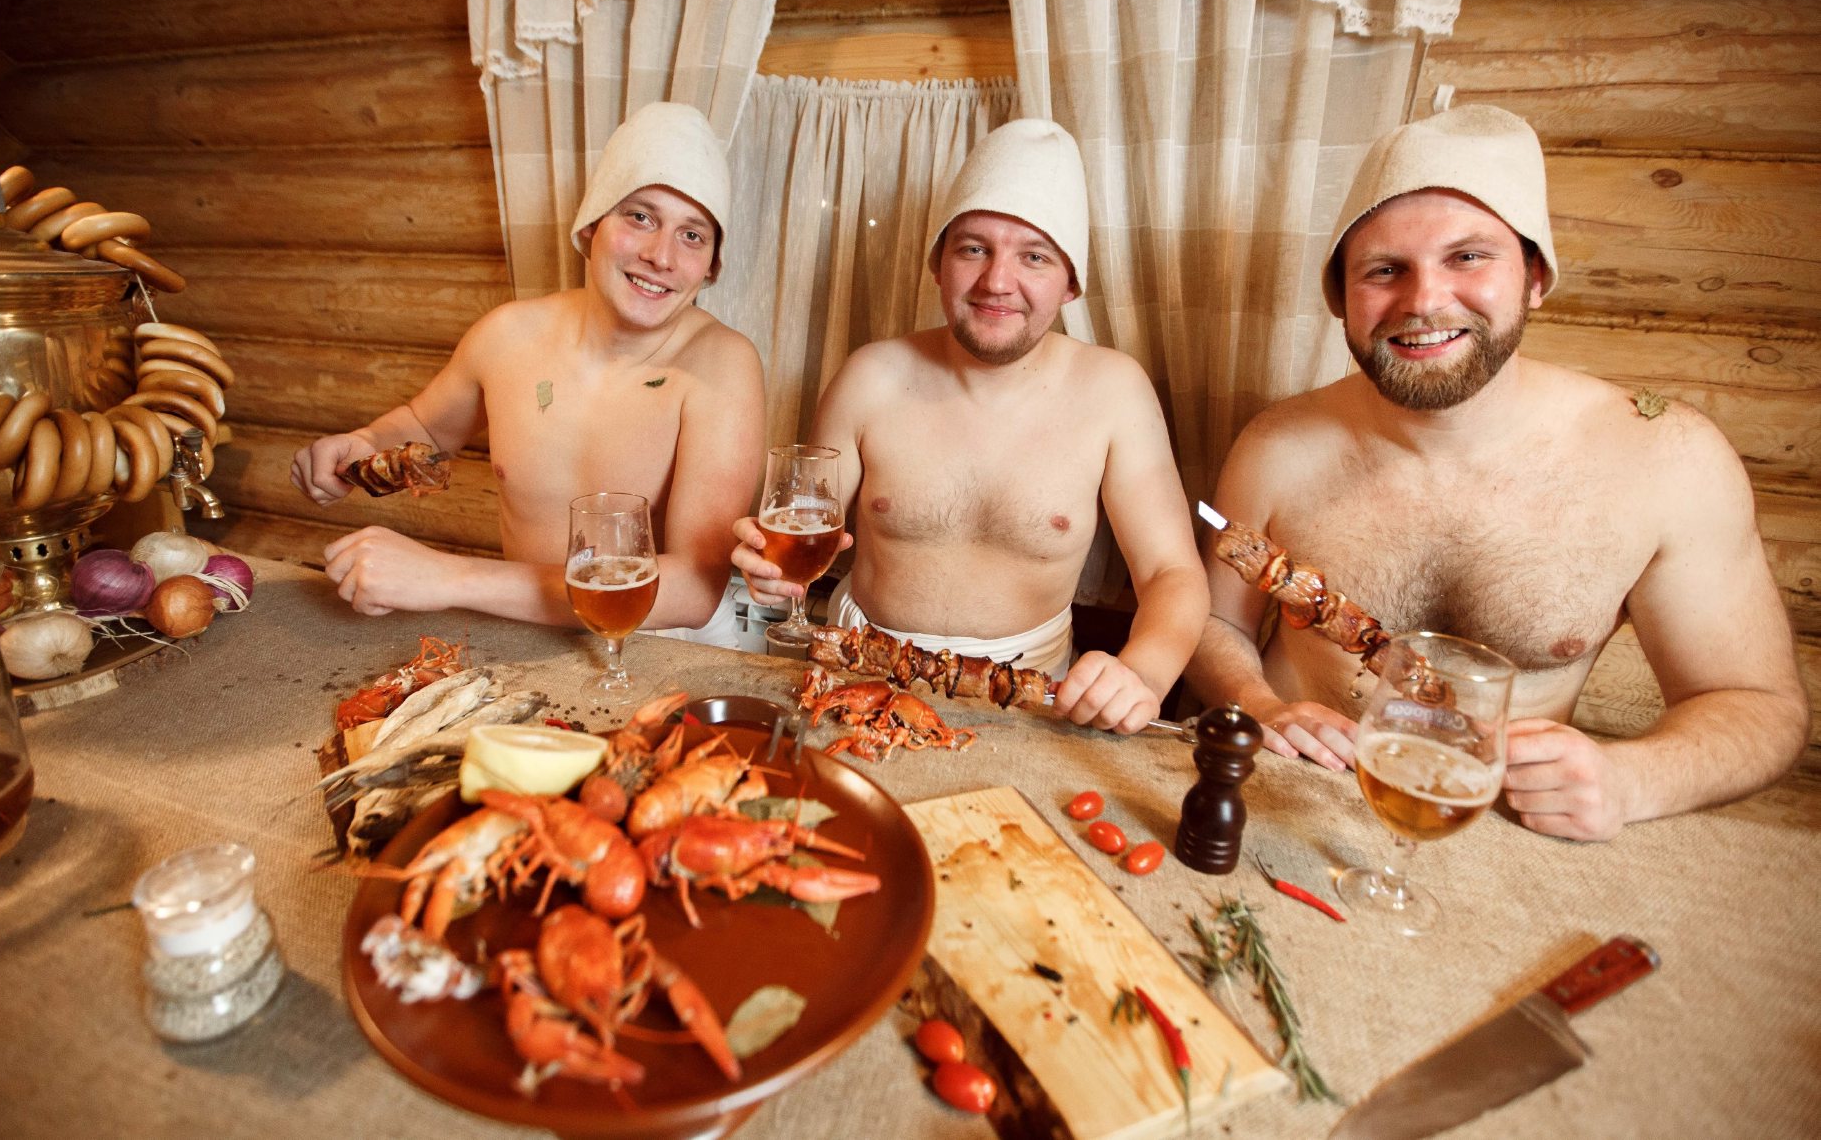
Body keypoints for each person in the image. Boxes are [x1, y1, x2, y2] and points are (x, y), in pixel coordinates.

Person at [1185, 104, 1807, 840]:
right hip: (1289, 803)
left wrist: (1630, 779)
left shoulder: (1668, 460)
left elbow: (1759, 703)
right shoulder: (1277, 445)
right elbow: (1216, 622)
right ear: (1341, 299)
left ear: (1535, 276)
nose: (1424, 300)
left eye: (1468, 258)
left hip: (1501, 831)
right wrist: (1262, 706)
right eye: (1384, 270)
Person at [732, 119, 1208, 734]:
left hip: (1031, 697)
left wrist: (1142, 673)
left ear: (1070, 284)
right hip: (857, 677)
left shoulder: (1115, 391)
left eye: (1033, 257)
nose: (997, 282)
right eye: (973, 249)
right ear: (939, 264)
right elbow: (797, 528)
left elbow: (1172, 572)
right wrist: (765, 567)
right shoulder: (870, 376)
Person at [291, 102, 765, 641]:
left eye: (692, 235)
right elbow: (425, 430)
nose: (662, 256)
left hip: (664, 641)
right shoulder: (506, 335)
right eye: (640, 217)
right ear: (592, 226)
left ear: (711, 266)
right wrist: (362, 444)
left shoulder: (723, 363)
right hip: (530, 635)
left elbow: (694, 589)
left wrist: (449, 577)